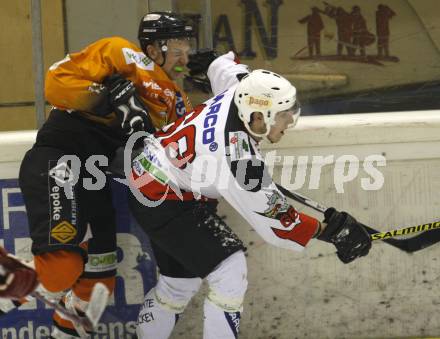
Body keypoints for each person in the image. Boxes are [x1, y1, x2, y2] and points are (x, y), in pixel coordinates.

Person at [128, 52, 372, 338]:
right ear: (258, 116)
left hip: (153, 175)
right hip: (161, 195)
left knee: (179, 284)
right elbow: (279, 224)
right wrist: (330, 232)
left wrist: (208, 61)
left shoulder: (243, 91)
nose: (288, 123)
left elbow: (227, 69)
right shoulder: (239, 160)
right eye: (283, 117)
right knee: (229, 272)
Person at [12, 11, 200, 338]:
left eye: (188, 44)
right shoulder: (119, 53)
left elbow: (178, 154)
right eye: (178, 44)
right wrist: (105, 98)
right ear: (154, 48)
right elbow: (56, 82)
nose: (186, 52)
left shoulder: (177, 101)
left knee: (98, 286)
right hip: (61, 162)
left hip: (96, 182)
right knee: (61, 269)